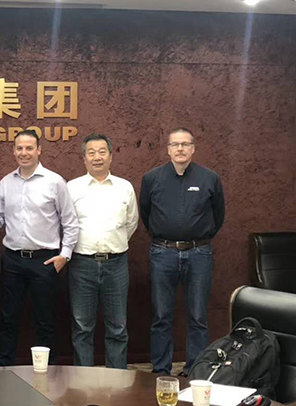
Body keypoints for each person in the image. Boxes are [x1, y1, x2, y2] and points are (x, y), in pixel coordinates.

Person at [0, 129, 79, 366]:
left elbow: (70, 222)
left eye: (29, 148)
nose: (24, 153)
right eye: (19, 148)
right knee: (8, 318)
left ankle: (47, 372)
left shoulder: (55, 182)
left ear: (39, 150)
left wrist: (64, 255)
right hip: (13, 261)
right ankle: (4, 369)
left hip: (45, 261)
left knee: (45, 321)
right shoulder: (6, 183)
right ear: (13, 151)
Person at [140, 127, 225, 376]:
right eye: (175, 144)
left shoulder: (209, 178)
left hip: (199, 253)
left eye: (185, 144)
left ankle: (194, 370)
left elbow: (218, 215)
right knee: (161, 315)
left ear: (193, 148)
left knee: (197, 315)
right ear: (168, 149)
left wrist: (198, 236)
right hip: (162, 253)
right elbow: (145, 213)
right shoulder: (152, 178)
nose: (180, 149)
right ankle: (161, 370)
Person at [66, 133, 139, 369]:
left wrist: (112, 245)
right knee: (82, 327)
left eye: (102, 152)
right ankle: (82, 380)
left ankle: (117, 380)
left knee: (117, 327)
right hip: (81, 264)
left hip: (116, 264)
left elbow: (131, 223)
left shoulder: (124, 187)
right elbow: (64, 223)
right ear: (84, 158)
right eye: (91, 153)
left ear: (110, 156)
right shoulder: (71, 188)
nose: (97, 157)